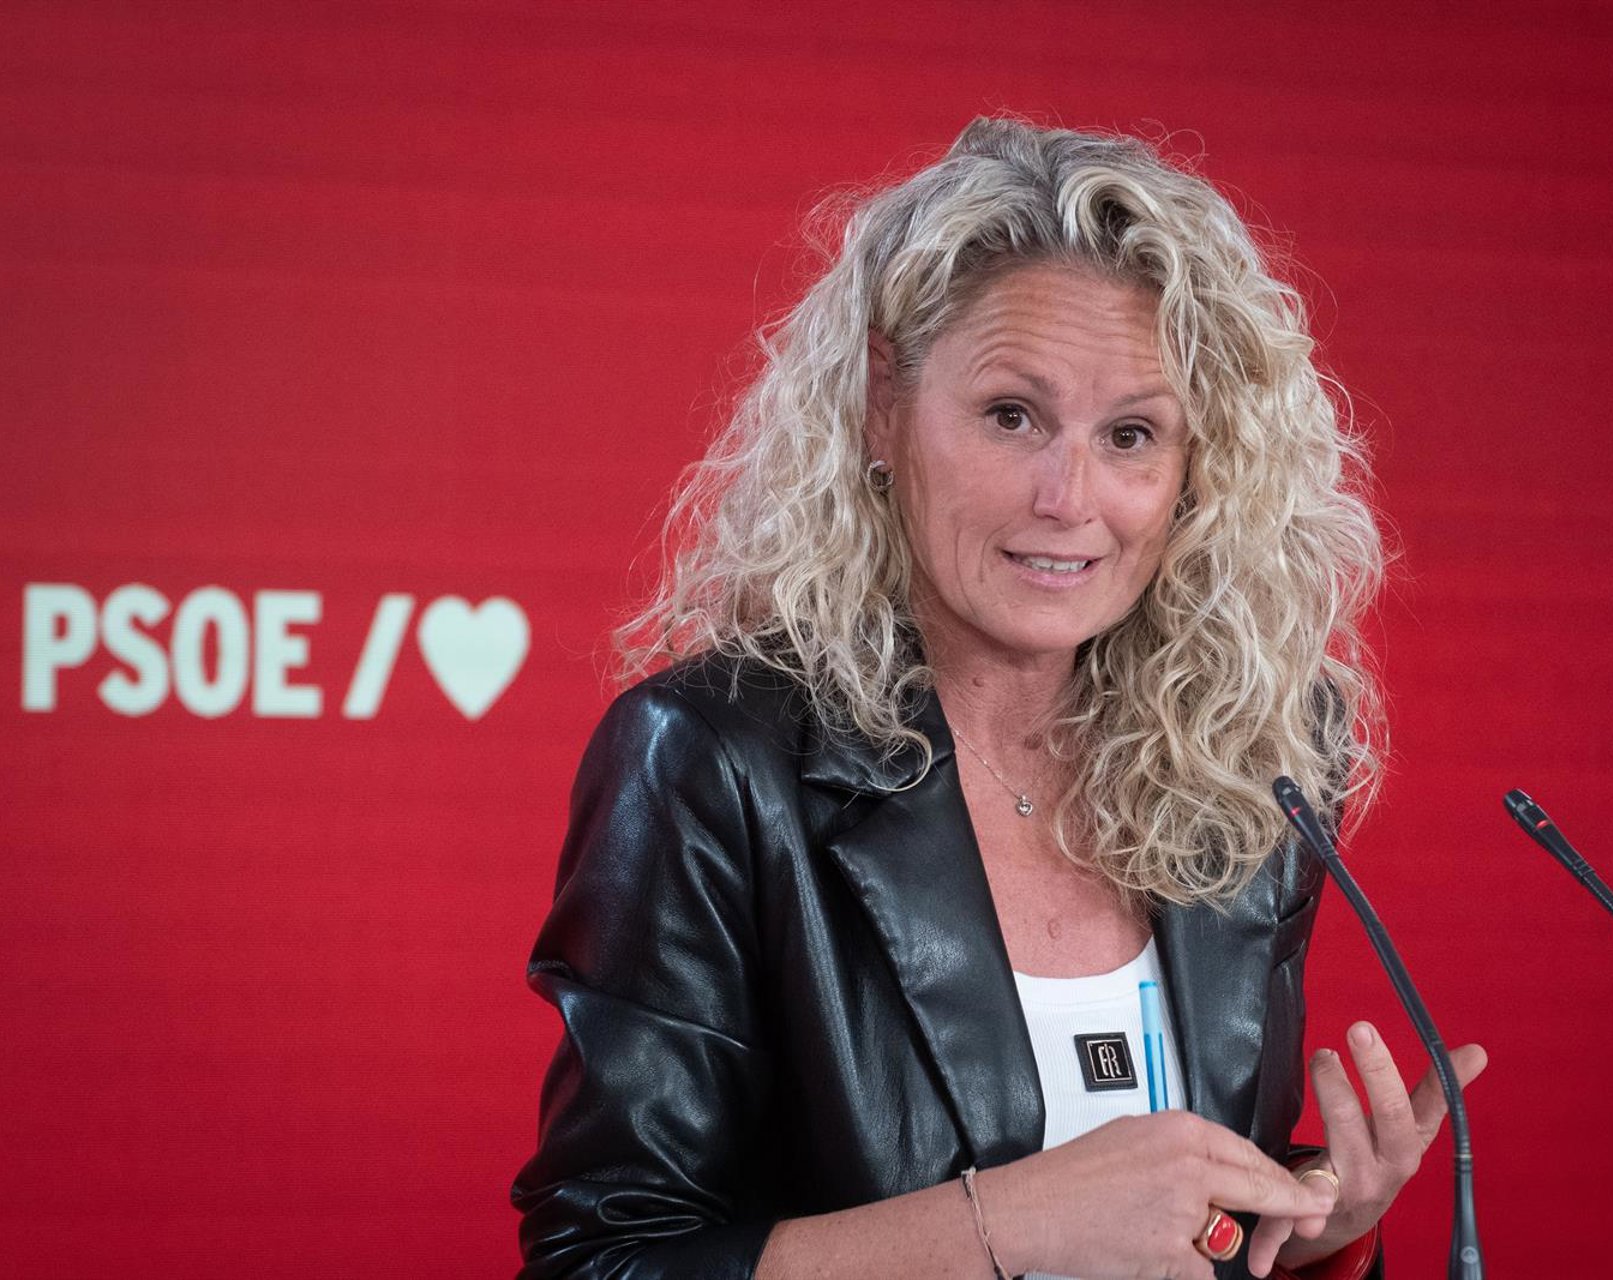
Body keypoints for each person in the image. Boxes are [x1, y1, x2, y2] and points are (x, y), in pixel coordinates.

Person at [512, 116, 1487, 1280]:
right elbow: (601, 1263)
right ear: (882, 401)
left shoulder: (1250, 754)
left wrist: (1313, 1226)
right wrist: (1007, 1221)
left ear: (1196, 470)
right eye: (1011, 415)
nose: (1069, 497)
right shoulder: (713, 759)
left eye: (1132, 434)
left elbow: (1191, 1227)